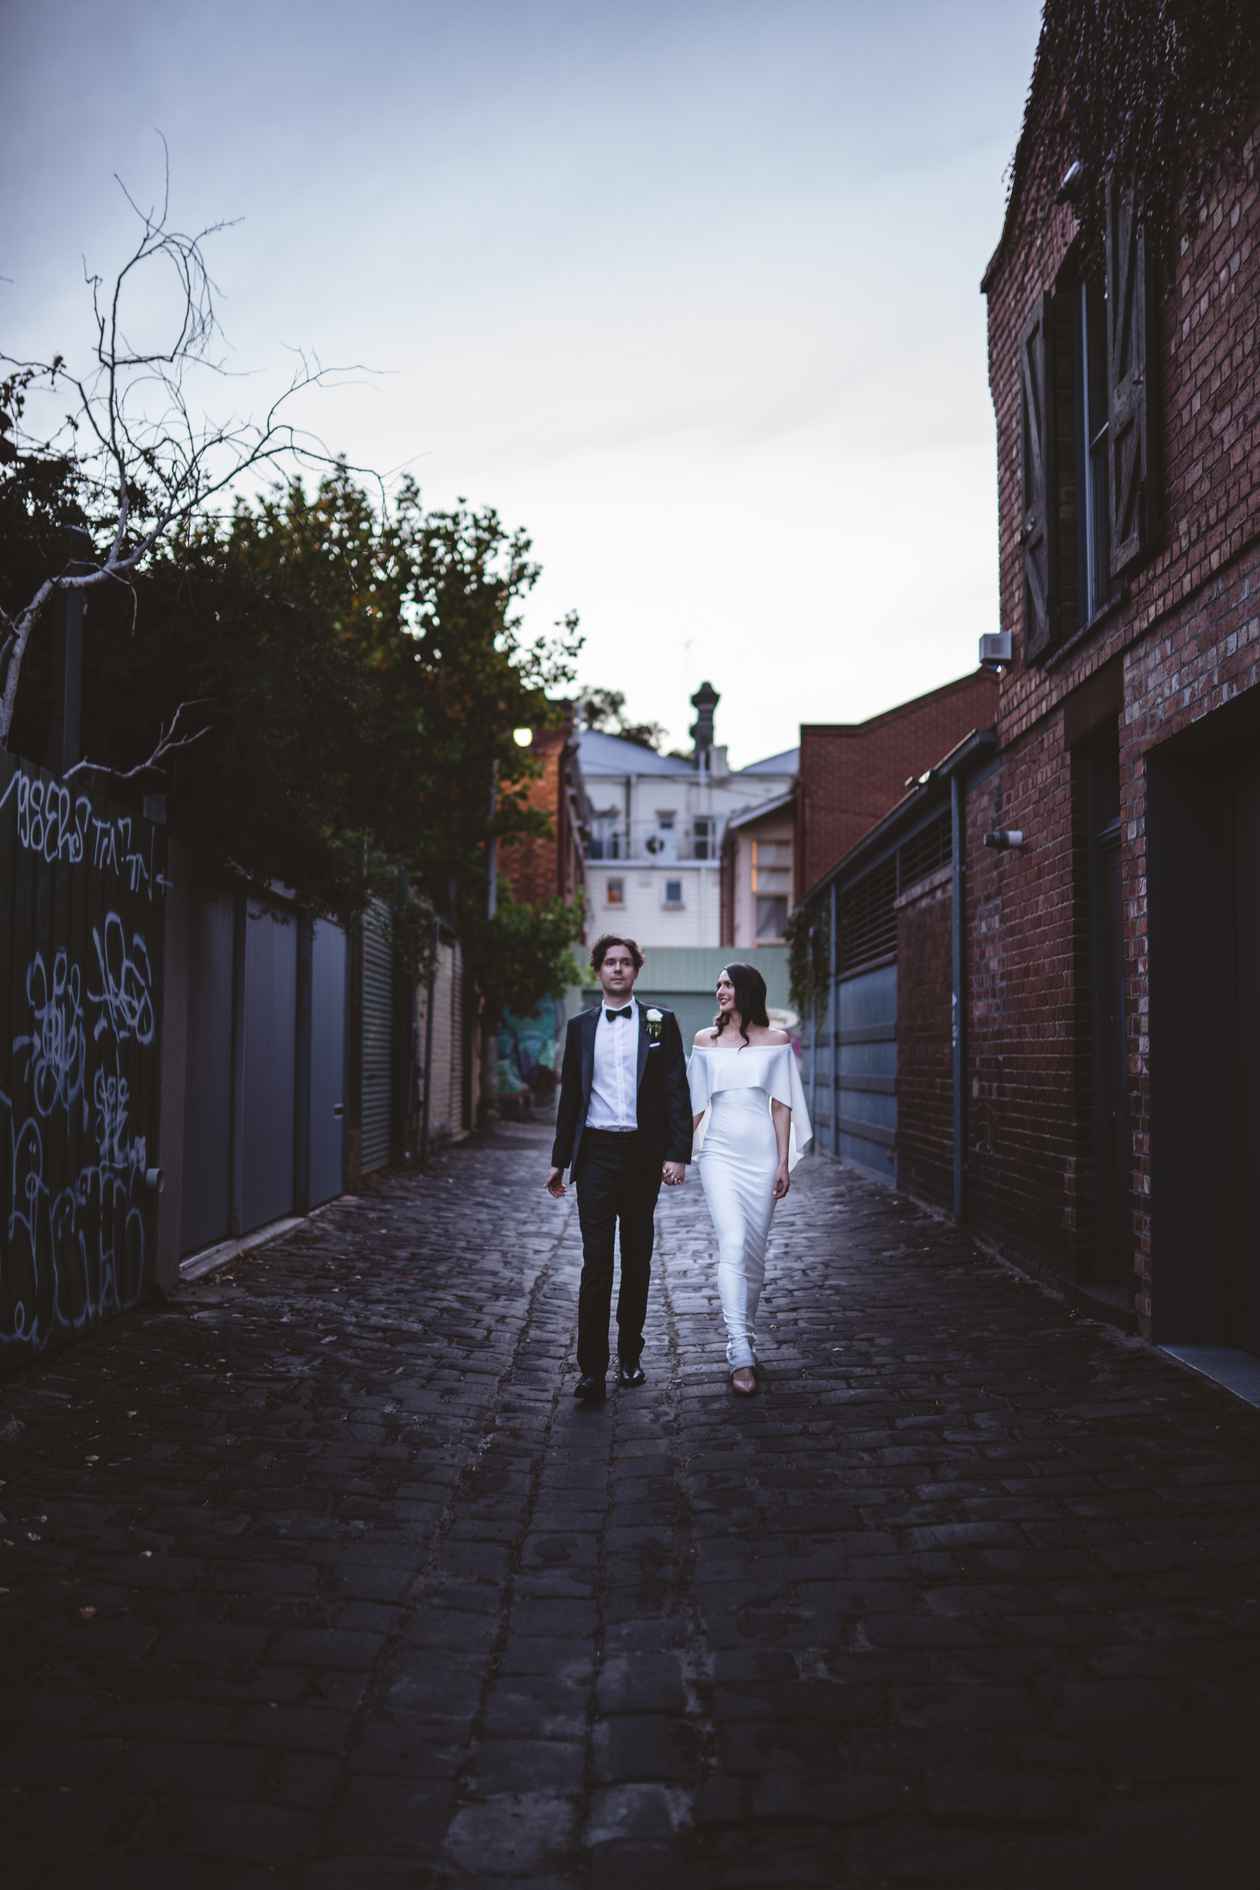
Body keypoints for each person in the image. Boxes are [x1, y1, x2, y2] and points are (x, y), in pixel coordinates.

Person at [546, 935, 693, 1405]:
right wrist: (559, 1161)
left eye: (625, 963)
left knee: (637, 1259)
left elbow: (675, 1088)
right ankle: (591, 1370)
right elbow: (571, 1098)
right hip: (596, 1156)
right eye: (609, 962)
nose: (617, 969)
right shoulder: (581, 1026)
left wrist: (677, 1153)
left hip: (642, 1157)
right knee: (596, 1265)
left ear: (636, 971)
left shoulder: (657, 1023)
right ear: (597, 970)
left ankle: (630, 1356)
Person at [688, 963, 811, 1395]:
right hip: (718, 1153)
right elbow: (696, 1105)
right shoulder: (705, 1040)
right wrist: (675, 1154)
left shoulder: (777, 1041)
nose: (720, 989)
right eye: (717, 982)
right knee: (734, 1242)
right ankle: (738, 1347)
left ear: (747, 990)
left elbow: (782, 1106)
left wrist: (782, 1162)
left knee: (754, 1256)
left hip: (761, 1154)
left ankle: (748, 1334)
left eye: (727, 983)